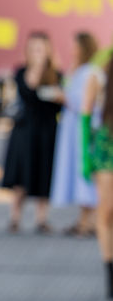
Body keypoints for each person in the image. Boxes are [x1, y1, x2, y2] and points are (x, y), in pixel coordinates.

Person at [2, 31, 63, 233]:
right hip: (25, 130)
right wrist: (36, 67)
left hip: (47, 130)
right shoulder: (21, 72)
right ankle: (15, 217)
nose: (37, 52)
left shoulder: (56, 74)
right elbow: (27, 92)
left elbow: (60, 105)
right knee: (21, 174)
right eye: (33, 48)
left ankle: (41, 218)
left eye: (40, 48)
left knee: (44, 172)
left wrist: (59, 97)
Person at [50, 32, 100, 236]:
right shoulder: (78, 70)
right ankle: (84, 219)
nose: (71, 50)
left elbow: (86, 103)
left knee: (85, 173)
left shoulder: (91, 72)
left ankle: (91, 221)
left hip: (84, 129)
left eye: (75, 46)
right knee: (78, 173)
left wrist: (64, 98)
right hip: (74, 128)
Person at [84, 54, 113, 298]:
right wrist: (85, 155)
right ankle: (109, 269)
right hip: (106, 146)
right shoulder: (101, 74)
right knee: (106, 210)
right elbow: (85, 115)